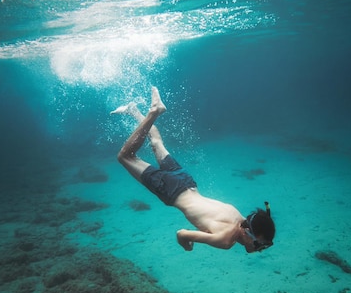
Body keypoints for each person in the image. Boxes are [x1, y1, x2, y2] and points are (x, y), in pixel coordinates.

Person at [111, 87, 275, 253]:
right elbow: (182, 234)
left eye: (262, 246)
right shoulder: (226, 240)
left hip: (186, 182)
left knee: (156, 143)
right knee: (125, 156)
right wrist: (187, 247)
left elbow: (258, 222)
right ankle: (154, 112)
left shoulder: (239, 217)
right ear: (247, 232)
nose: (258, 249)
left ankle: (134, 111)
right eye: (258, 244)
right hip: (171, 191)